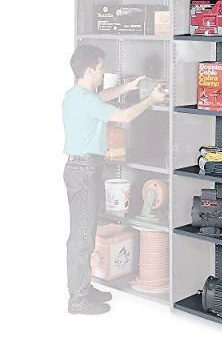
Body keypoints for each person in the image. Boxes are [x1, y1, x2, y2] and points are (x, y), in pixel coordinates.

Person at [62, 44, 166, 315]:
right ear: (89, 71)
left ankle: (84, 287)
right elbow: (125, 116)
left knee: (85, 232)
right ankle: (78, 299)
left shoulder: (76, 95)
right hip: (85, 169)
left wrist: (129, 86)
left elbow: (102, 97)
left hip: (81, 168)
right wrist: (150, 100)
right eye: (100, 68)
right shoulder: (87, 101)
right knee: (82, 238)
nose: (102, 72)